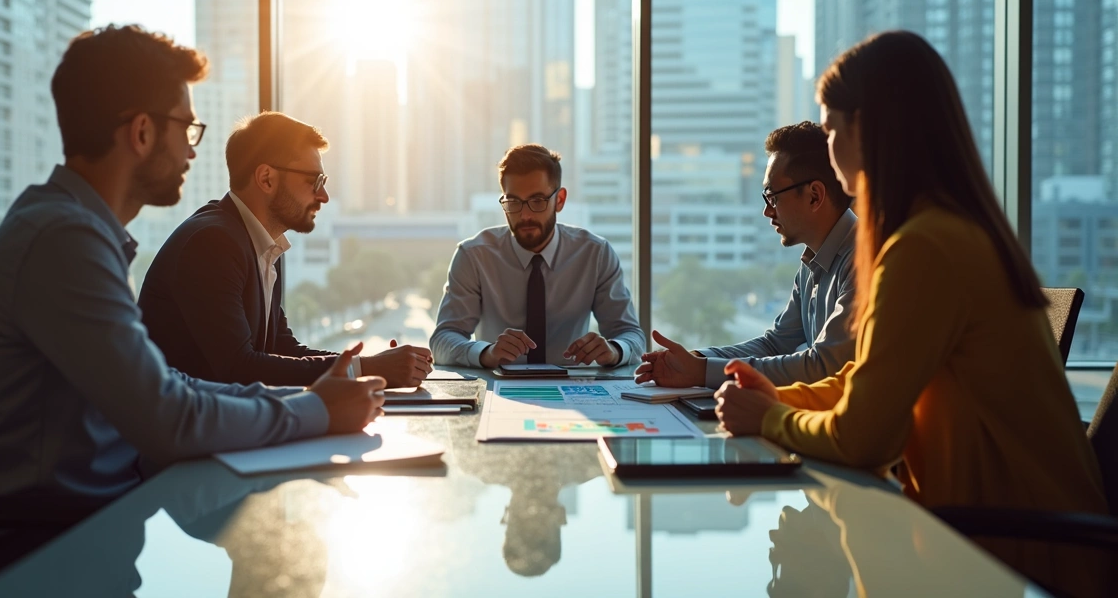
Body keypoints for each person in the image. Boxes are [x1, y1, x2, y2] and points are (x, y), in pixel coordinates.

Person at [713, 30, 1108, 596]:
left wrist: (769, 419)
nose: (826, 145)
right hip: (982, 544)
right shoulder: (938, 232)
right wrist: (776, 399)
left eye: (829, 128)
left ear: (867, 129)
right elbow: (868, 381)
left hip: (1017, 562)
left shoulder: (926, 248)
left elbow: (864, 438)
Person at [0, 26, 384, 520]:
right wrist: (316, 410)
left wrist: (310, 398)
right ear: (142, 132)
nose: (193, 152)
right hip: (43, 549)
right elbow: (168, 416)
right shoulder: (63, 240)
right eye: (187, 129)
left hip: (97, 518)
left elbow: (168, 384)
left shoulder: (74, 229)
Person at [139, 111, 432, 389]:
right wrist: (367, 369)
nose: (324, 196)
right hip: (187, 435)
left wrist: (369, 366)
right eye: (314, 181)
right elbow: (239, 368)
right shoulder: (212, 243)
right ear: (266, 178)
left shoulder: (261, 243)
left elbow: (283, 349)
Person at [636, 121, 856, 388]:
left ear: (814, 196)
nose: (767, 211)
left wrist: (702, 371)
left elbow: (825, 367)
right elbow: (775, 344)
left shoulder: (861, 261)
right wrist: (695, 360)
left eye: (773, 197)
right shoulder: (813, 261)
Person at [429, 144, 645, 368]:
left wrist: (614, 350)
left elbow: (631, 335)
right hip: (498, 391)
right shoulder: (474, 256)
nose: (525, 215)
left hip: (573, 391)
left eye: (537, 201)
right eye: (513, 202)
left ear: (559, 200)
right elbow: (442, 340)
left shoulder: (595, 254)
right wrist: (486, 353)